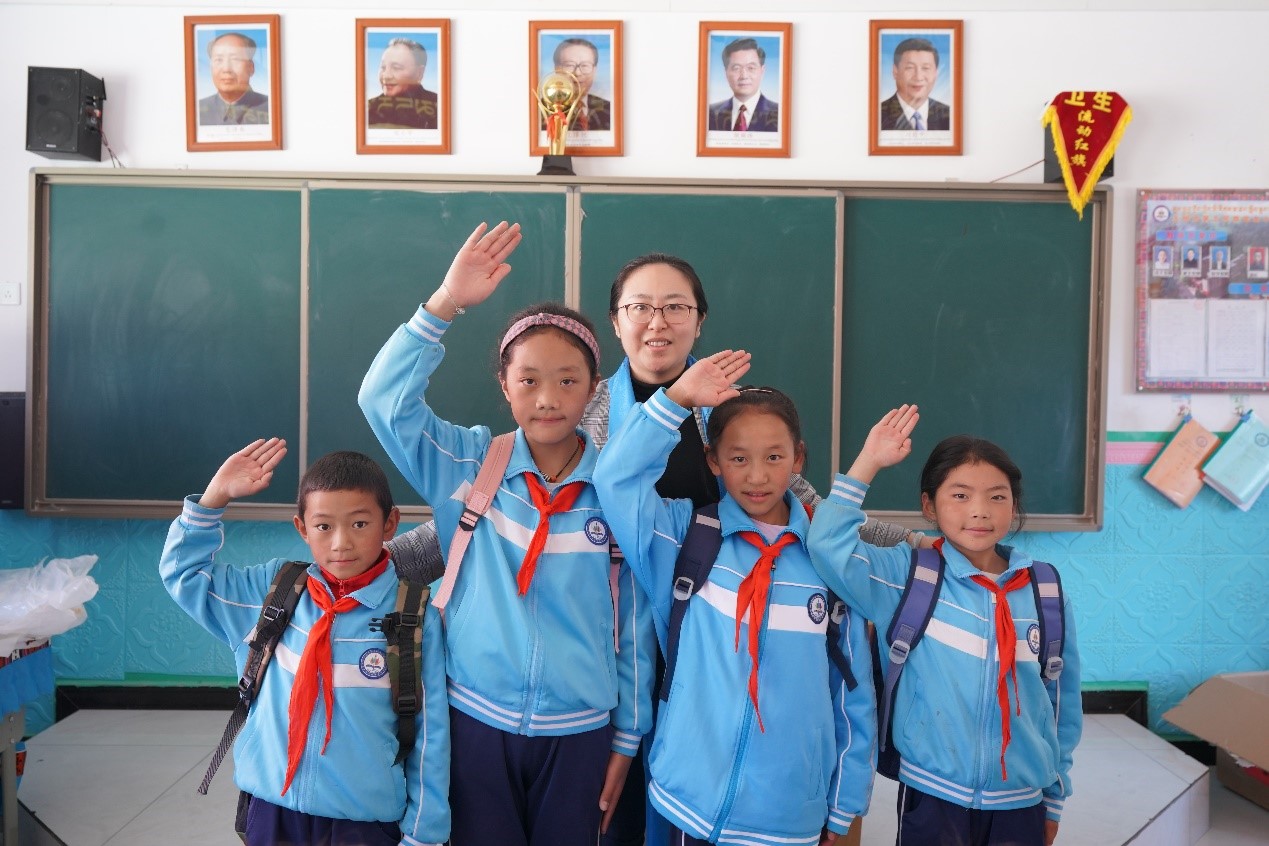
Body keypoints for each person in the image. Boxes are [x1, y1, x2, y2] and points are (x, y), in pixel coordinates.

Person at [385, 251, 922, 846]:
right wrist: (376, 563)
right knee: (616, 823)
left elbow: (802, 510)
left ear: (699, 320)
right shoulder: (576, 405)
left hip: (711, 652)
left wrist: (920, 545)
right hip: (603, 665)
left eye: (675, 307)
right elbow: (490, 510)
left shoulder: (731, 410)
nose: (657, 321)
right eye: (639, 307)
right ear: (616, 322)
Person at [358, 221, 654, 845]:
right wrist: (445, 303)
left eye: (568, 380)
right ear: (504, 383)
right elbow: (383, 401)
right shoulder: (468, 466)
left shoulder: (616, 490)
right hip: (473, 718)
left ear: (593, 387)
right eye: (529, 380)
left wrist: (627, 736)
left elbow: (633, 619)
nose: (548, 398)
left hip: (581, 730)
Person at [594, 379, 876, 845]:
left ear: (798, 458)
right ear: (713, 460)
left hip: (788, 814)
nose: (757, 476)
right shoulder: (686, 534)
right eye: (738, 458)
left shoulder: (829, 560)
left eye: (774, 457)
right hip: (687, 799)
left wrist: (844, 804)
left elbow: (853, 695)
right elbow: (615, 479)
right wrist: (676, 399)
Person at [808, 405, 1083, 846]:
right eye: (959, 495)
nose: (980, 511)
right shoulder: (909, 576)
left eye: (997, 496)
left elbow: (1060, 703)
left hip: (1023, 800)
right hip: (932, 794)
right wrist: (869, 462)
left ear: (1014, 506)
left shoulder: (1045, 591)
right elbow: (827, 546)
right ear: (928, 505)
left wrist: (1055, 795)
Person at [159, 440, 449, 846]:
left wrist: (423, 836)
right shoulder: (273, 593)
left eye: (359, 524)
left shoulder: (414, 617)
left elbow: (430, 739)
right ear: (302, 528)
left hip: (363, 823)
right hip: (272, 812)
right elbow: (184, 575)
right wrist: (214, 498)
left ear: (390, 524)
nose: (341, 543)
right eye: (324, 526)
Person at [707, 38, 779, 132]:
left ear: (762, 71)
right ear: (726, 73)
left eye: (751, 68)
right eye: (736, 68)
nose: (744, 76)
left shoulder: (779, 113)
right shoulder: (710, 113)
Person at [879, 37, 950, 131]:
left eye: (925, 68)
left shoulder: (949, 116)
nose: (918, 77)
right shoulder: (878, 114)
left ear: (935, 73)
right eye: (910, 68)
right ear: (895, 71)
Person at [198, 32, 270, 126]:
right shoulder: (197, 110)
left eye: (235, 59)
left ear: (251, 68)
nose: (226, 69)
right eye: (219, 60)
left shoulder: (271, 108)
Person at [368, 37, 438, 130]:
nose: (386, 75)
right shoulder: (369, 108)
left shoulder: (438, 106)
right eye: (383, 67)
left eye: (396, 68)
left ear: (419, 73)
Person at [547, 37, 610, 131]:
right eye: (569, 65)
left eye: (585, 65)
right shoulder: (541, 110)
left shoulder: (609, 109)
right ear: (557, 69)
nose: (577, 73)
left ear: (595, 70)